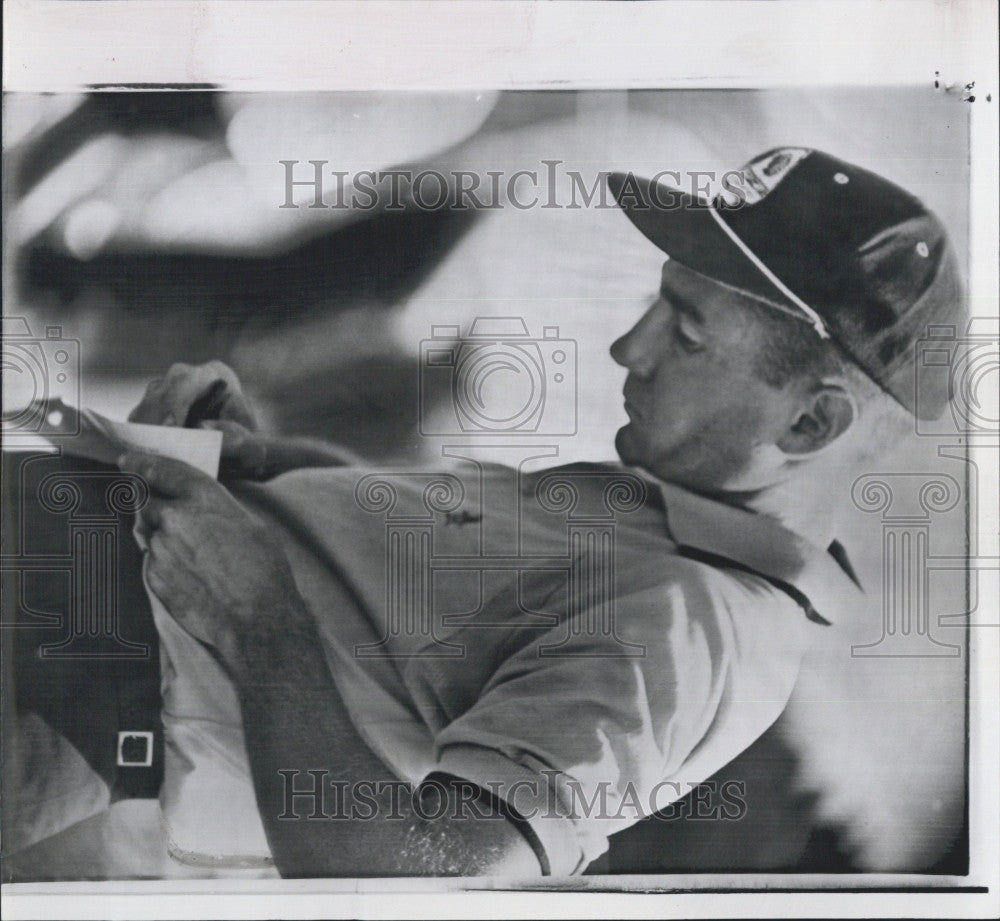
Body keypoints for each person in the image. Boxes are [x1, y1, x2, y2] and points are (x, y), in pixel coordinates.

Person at [113, 147, 964, 877]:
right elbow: (420, 618)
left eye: (690, 334)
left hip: (97, 670)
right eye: (655, 304)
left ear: (811, 421)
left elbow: (417, 884)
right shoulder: (672, 514)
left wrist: (259, 616)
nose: (629, 348)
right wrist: (281, 468)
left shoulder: (692, 625)